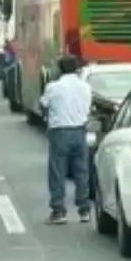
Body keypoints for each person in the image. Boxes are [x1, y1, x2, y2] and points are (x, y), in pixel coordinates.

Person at [40, 55, 93, 224]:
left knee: (58, 172)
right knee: (81, 171)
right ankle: (84, 209)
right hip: (80, 131)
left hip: (60, 132)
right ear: (77, 69)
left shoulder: (53, 87)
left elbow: (43, 104)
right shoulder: (85, 87)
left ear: (59, 69)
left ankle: (59, 211)